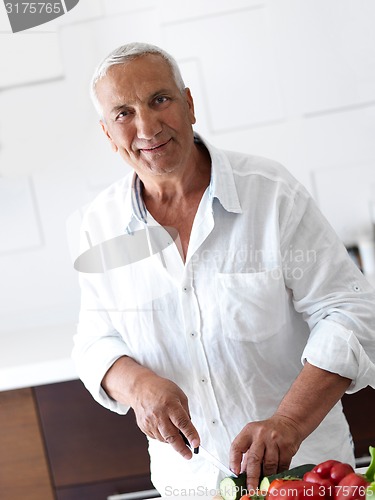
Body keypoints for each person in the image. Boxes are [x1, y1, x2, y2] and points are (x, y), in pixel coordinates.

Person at [72, 42, 375, 496]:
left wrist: (289, 420)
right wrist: (138, 386)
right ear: (107, 133)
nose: (147, 126)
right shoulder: (100, 225)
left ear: (189, 103)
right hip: (189, 484)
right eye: (124, 113)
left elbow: (350, 312)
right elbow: (94, 340)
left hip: (305, 475)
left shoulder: (271, 194)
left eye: (160, 100)